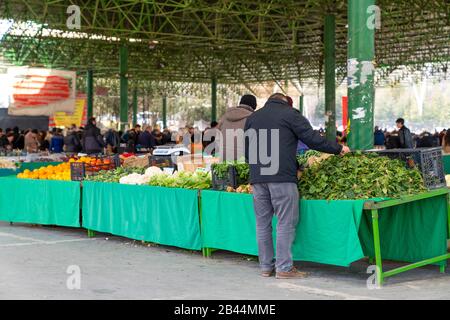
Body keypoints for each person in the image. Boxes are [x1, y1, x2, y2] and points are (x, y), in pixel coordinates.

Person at [244, 93, 350, 279]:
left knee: (262, 224)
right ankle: (284, 268)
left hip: (258, 179)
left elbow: (247, 152)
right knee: (285, 222)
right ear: (286, 102)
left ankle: (266, 267)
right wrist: (338, 148)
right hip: (282, 178)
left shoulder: (253, 117)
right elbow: (312, 139)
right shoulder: (290, 114)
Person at [216, 94, 257, 161]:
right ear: (254, 106)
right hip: (243, 161)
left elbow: (217, 138)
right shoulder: (252, 118)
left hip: (223, 158)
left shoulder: (224, 117)